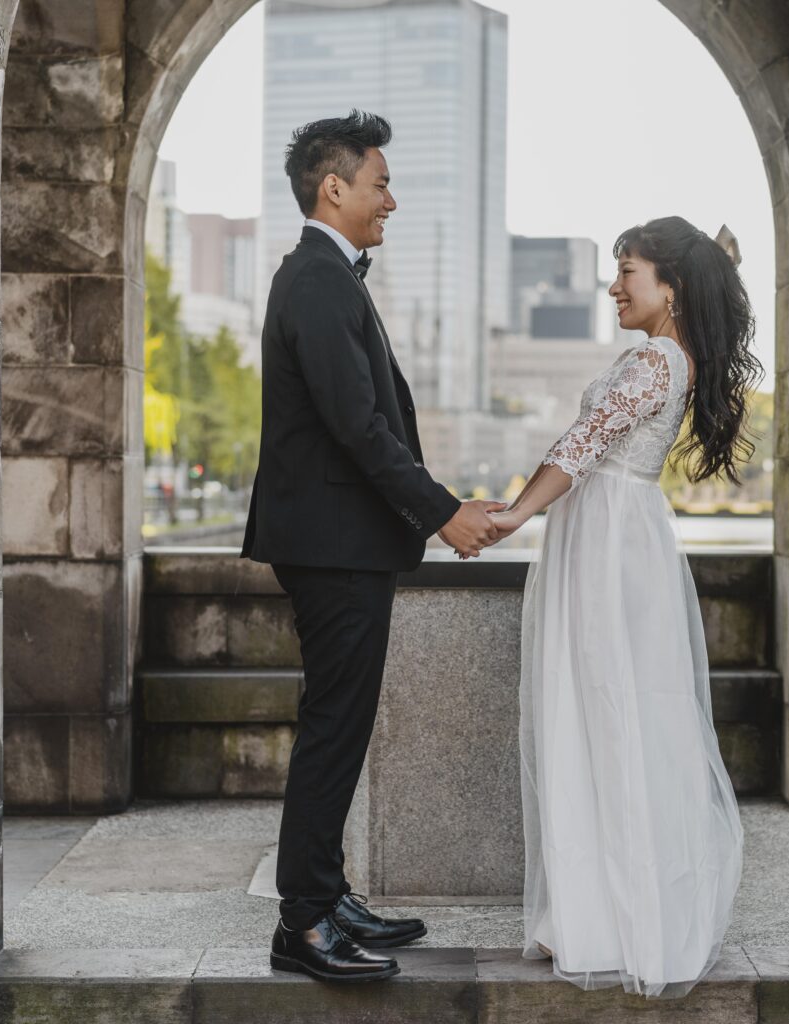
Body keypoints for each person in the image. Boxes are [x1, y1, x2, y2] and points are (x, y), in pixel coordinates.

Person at [241, 109, 504, 984]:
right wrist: (442, 512)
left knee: (339, 724)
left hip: (338, 540)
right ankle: (303, 924)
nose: (391, 199)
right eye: (381, 183)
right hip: (332, 543)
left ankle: (326, 892)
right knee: (333, 727)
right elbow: (357, 425)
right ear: (334, 186)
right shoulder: (315, 280)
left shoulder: (328, 276)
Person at [487, 216, 762, 998]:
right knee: (611, 710)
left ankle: (613, 916)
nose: (614, 285)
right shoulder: (673, 358)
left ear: (668, 288)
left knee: (604, 708)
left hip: (609, 541)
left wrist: (511, 515)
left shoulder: (653, 360)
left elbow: (582, 444)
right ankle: (597, 910)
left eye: (628, 272)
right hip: (612, 533)